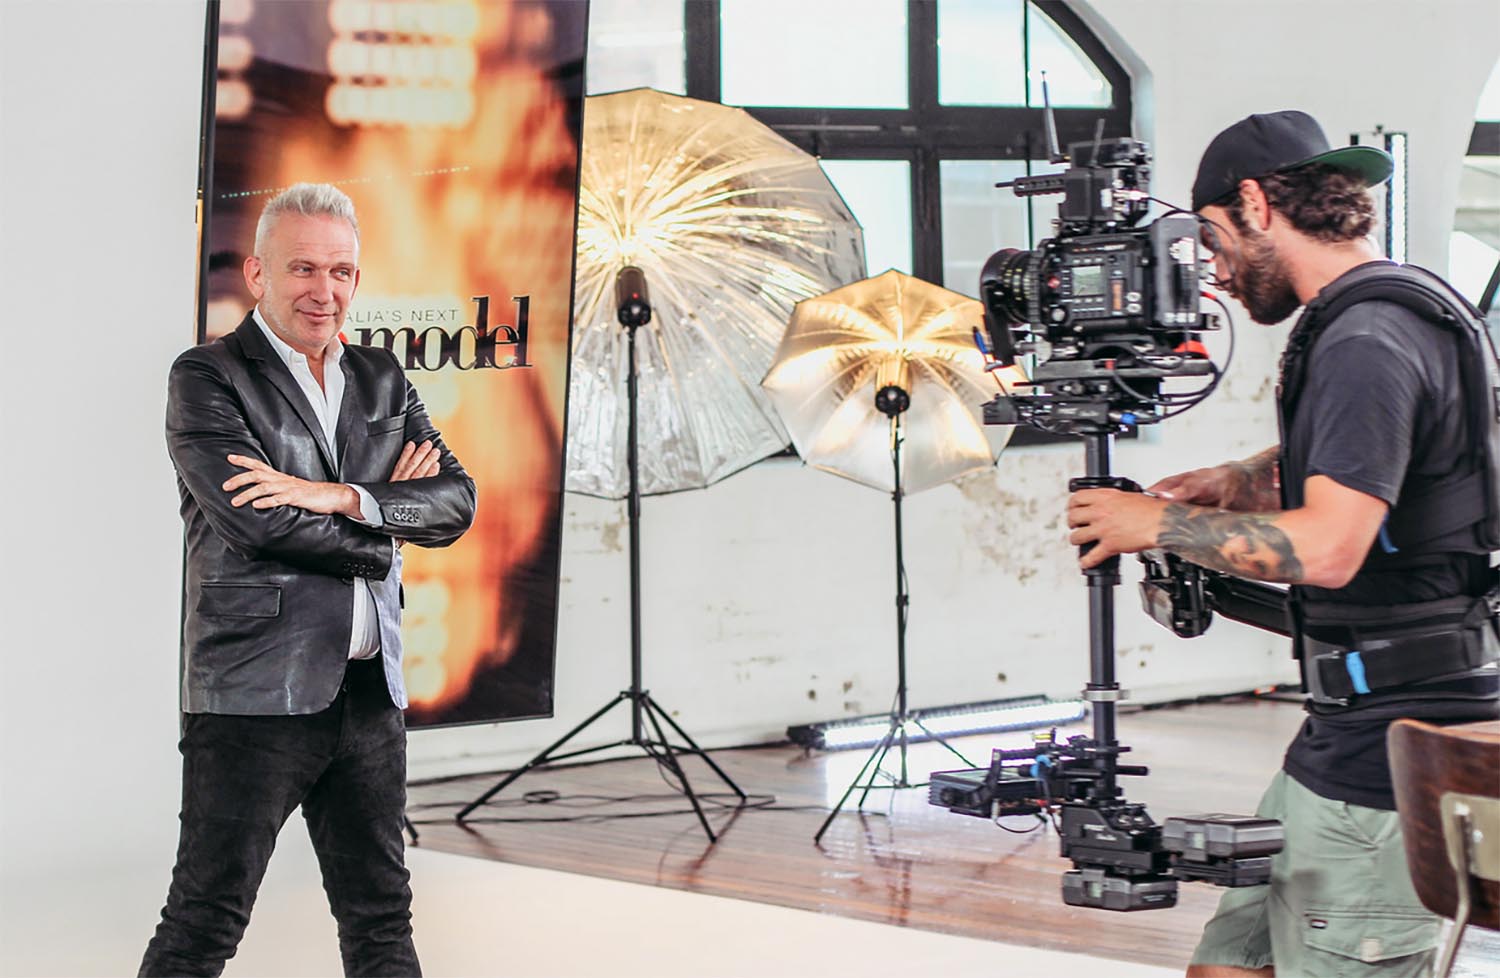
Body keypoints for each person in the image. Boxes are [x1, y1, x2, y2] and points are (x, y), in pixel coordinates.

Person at [1065, 111, 1499, 977]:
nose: (1213, 271)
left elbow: (1331, 549)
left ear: (1257, 204)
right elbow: (1392, 458)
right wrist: (1242, 478)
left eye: (1211, 237)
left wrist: (1153, 526)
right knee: (1228, 967)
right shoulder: (1405, 306)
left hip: (1389, 751)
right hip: (1345, 731)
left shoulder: (1364, 340)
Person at [141, 183, 477, 976]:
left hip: (370, 692)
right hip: (254, 693)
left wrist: (339, 496)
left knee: (381, 917)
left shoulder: (380, 377)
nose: (324, 290)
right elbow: (256, 524)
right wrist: (386, 531)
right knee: (204, 921)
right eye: (303, 268)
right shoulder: (209, 376)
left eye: (341, 271)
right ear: (258, 274)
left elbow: (456, 502)